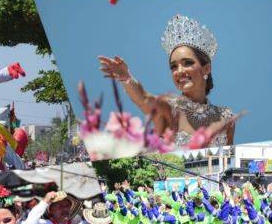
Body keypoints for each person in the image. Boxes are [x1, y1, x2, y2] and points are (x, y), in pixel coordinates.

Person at [99, 14, 237, 147]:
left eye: (187, 63)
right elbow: (144, 99)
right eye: (174, 67)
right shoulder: (168, 107)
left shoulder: (226, 117)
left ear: (206, 69)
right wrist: (127, 78)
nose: (180, 71)